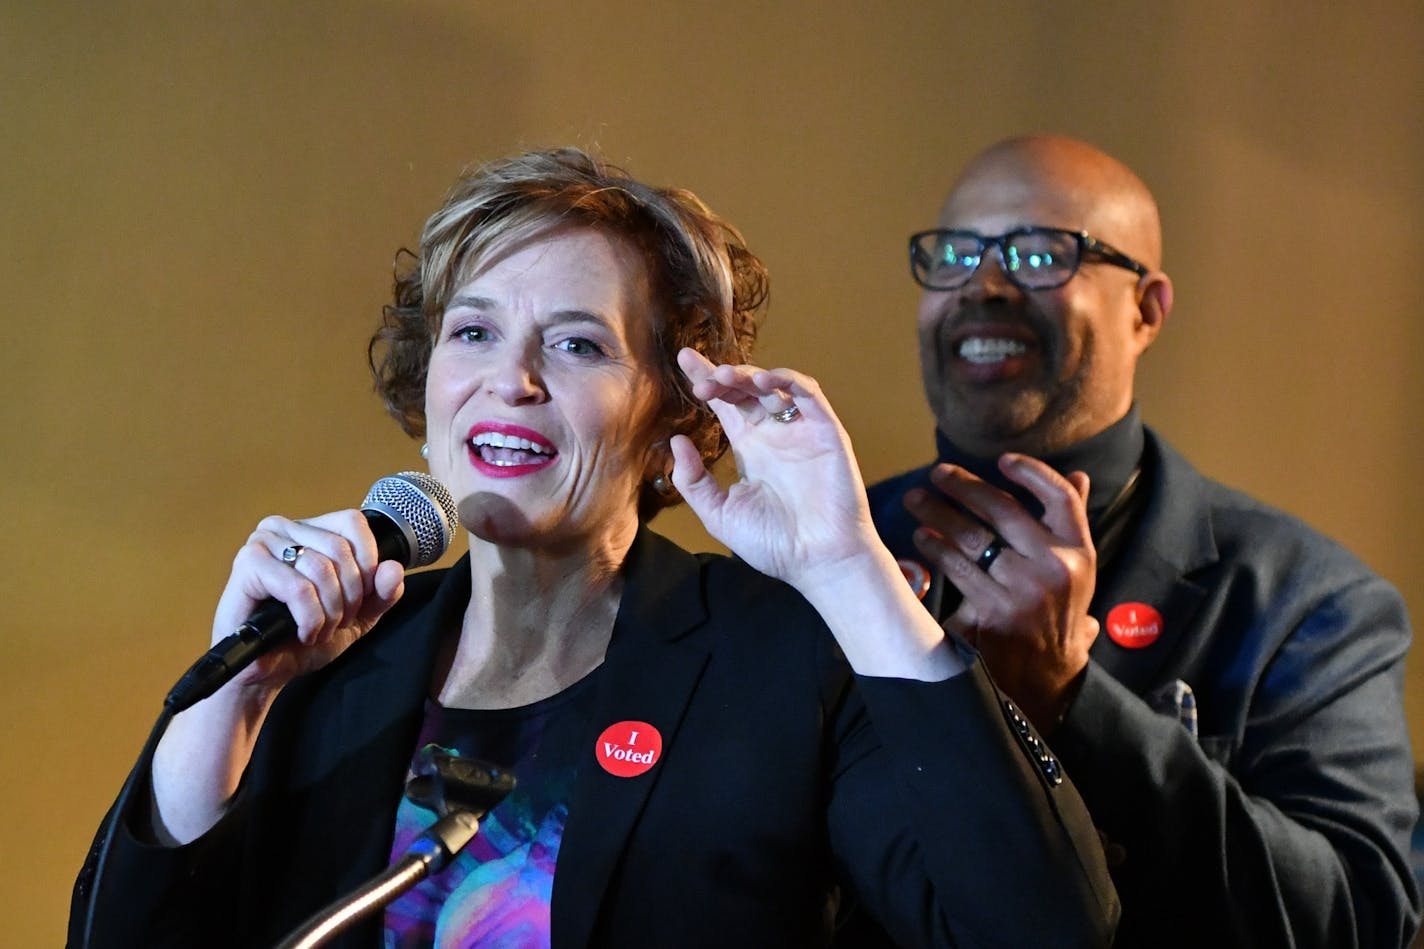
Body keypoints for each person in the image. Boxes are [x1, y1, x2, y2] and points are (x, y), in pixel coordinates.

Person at [68, 147, 1117, 948]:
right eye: (472, 333)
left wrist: (848, 568)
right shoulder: (330, 665)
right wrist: (233, 694)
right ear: (426, 386)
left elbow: (1038, 926)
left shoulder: (779, 662)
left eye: (575, 344)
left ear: (670, 408)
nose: (509, 379)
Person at [867, 133, 1420, 948]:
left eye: (1039, 252)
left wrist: (1075, 702)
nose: (982, 284)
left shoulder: (1310, 600)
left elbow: (1358, 915)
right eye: (954, 252)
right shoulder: (835, 557)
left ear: (1147, 310)